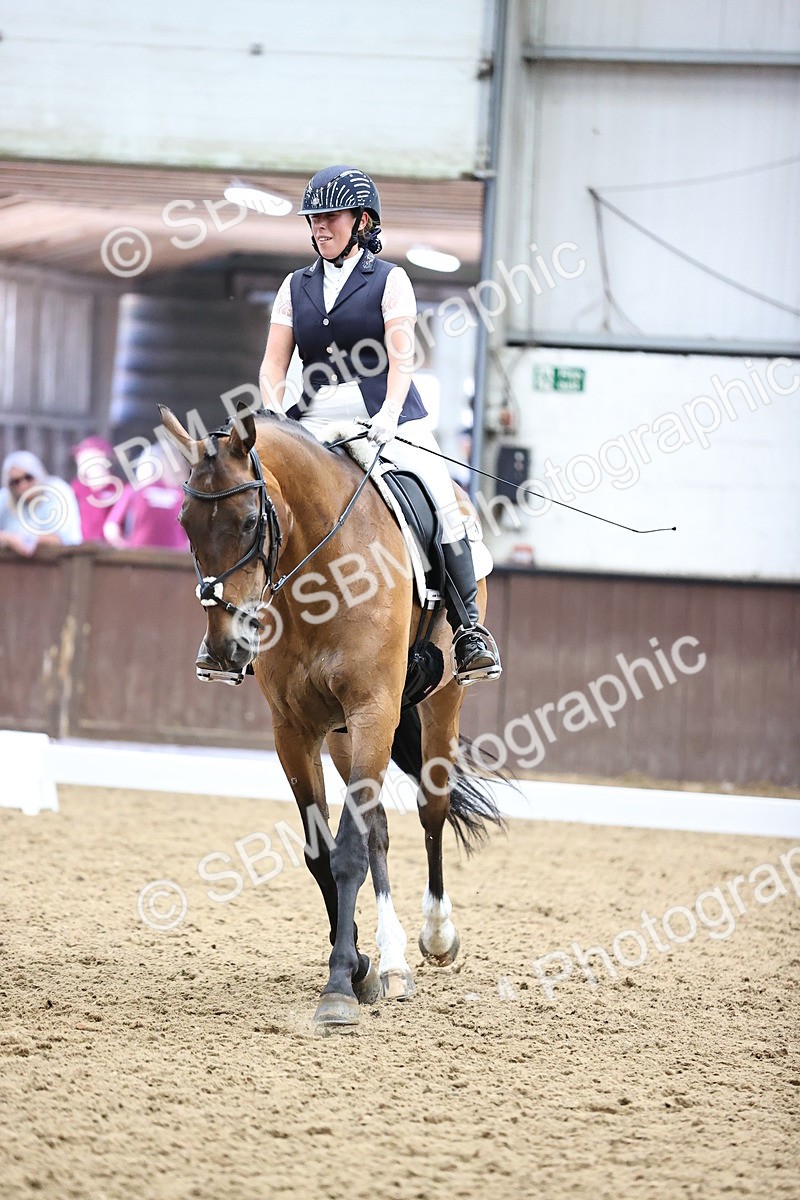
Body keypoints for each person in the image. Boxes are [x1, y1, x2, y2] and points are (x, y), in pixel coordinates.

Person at [259, 165, 501, 684]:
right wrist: (274, 415)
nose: (320, 226)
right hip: (313, 417)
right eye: (314, 218)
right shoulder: (294, 286)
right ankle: (240, 627)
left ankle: (469, 630)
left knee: (441, 496)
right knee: (256, 495)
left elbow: (400, 356)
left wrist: (390, 413)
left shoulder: (390, 280)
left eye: (331, 216)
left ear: (362, 221)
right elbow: (274, 364)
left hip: (382, 413)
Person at [103, 445, 189, 551]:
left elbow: (111, 528)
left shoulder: (134, 490)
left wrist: (125, 549)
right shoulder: (182, 495)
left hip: (142, 555)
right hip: (170, 556)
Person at [0, 450, 82, 556]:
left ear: (37, 474)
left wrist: (27, 540)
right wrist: (9, 538)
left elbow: (64, 539)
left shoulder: (56, 490)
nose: (23, 485)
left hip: (60, 560)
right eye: (16, 482)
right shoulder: (6, 497)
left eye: (28, 477)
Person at [70, 435, 122, 542]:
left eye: (85, 454)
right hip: (82, 547)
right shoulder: (76, 487)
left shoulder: (119, 488)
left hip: (110, 549)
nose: (79, 459)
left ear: (101, 456)